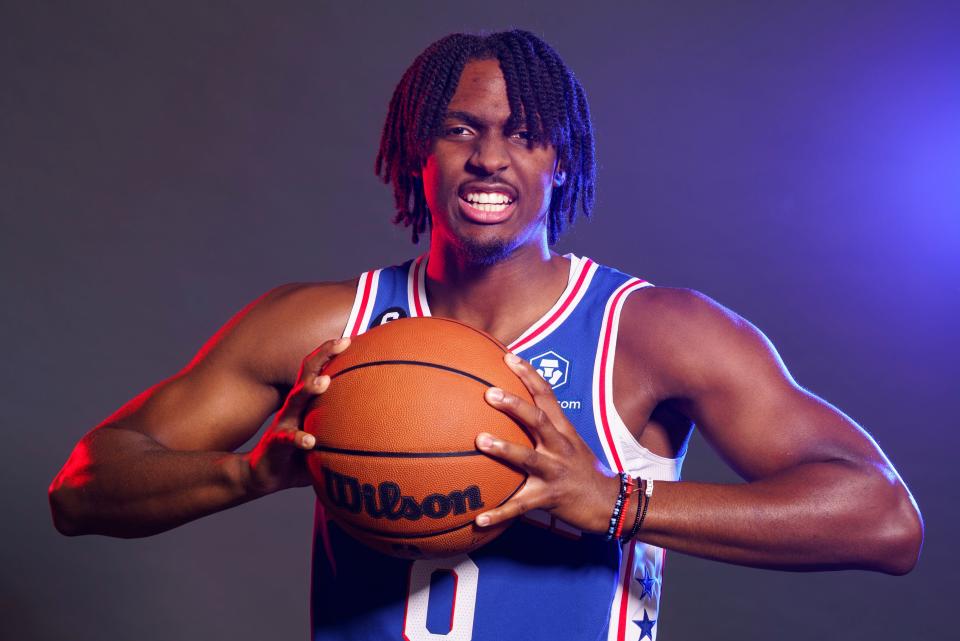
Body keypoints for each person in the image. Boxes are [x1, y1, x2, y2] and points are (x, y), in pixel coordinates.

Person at [49, 30, 922, 641]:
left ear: (563, 160)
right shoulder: (324, 327)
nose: (489, 157)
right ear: (413, 150)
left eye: (524, 135)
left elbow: (884, 519)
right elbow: (82, 487)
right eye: (459, 128)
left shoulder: (653, 332)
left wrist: (612, 502)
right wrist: (248, 471)